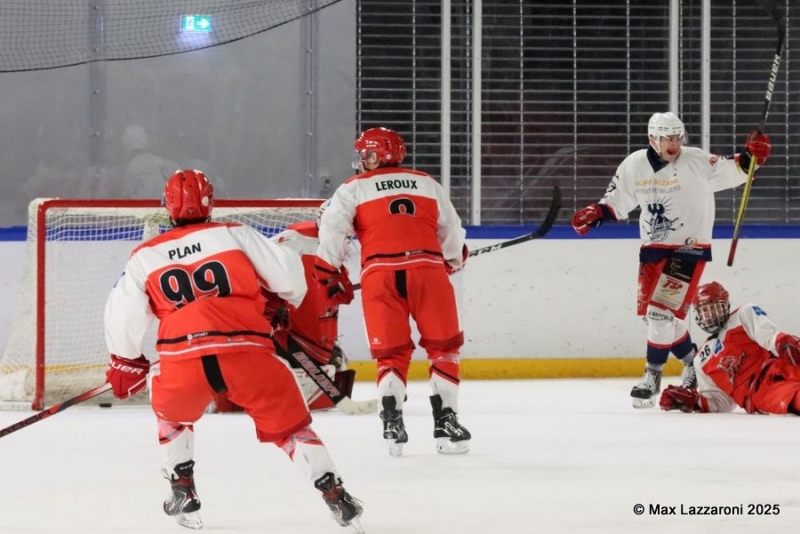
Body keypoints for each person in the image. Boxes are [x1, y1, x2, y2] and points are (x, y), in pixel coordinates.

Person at [102, 169, 363, 531]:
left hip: (183, 359)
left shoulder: (144, 255)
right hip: (247, 351)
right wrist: (275, 303)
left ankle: (182, 487)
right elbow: (290, 279)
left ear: (166, 206)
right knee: (293, 430)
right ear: (212, 202)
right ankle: (333, 491)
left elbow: (122, 314)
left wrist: (125, 359)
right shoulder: (234, 234)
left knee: (173, 417)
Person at [571, 112, 772, 408]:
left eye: (678, 137)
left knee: (660, 316)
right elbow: (616, 203)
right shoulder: (635, 164)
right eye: (667, 138)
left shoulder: (696, 161)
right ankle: (692, 364)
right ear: (653, 139)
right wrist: (594, 214)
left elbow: (739, 169)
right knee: (660, 320)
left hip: (688, 250)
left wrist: (753, 155)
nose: (674, 143)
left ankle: (652, 377)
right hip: (653, 250)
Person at [315, 126, 471, 457]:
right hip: (428, 270)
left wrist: (329, 269)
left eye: (366, 154)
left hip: (379, 275)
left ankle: (392, 421)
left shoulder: (352, 188)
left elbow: (332, 228)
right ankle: (447, 423)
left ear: (382, 154)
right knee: (443, 349)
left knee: (391, 353)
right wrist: (454, 258)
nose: (361, 161)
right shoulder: (427, 182)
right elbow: (451, 228)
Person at [213, 201, 359, 413]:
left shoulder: (338, 249)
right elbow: (258, 266)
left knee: (333, 359)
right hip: (287, 332)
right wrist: (273, 305)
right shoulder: (298, 238)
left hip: (313, 339)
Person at [659, 281, 800, 415]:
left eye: (714, 308)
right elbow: (721, 402)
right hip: (758, 392)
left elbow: (770, 336)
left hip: (777, 365)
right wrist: (695, 401)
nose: (710, 315)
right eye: (705, 311)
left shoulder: (743, 315)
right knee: (794, 398)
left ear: (725, 306)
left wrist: (784, 342)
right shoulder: (700, 361)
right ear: (698, 316)